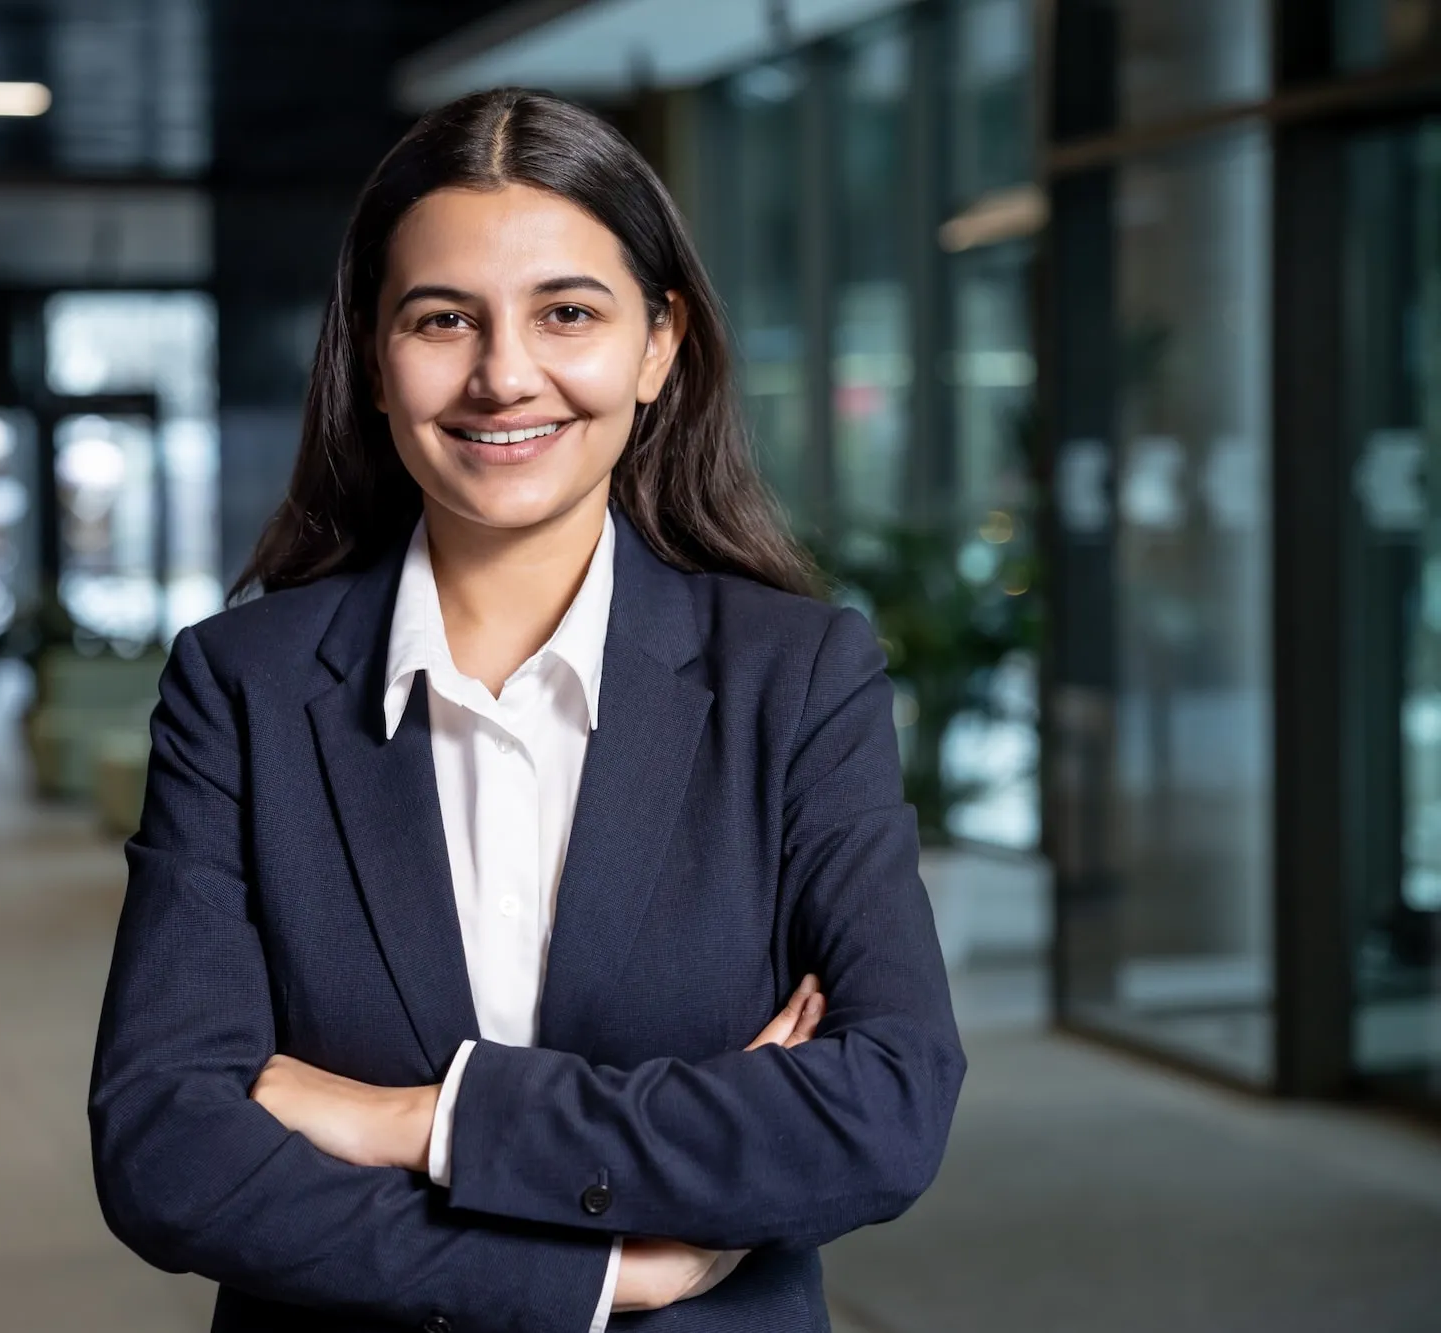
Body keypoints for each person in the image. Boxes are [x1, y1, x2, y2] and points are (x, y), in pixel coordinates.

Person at [88, 87, 965, 1332]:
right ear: (372, 362)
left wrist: (423, 1117)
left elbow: (883, 1108)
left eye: (567, 312)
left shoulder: (796, 676)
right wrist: (594, 1273)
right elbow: (163, 1147)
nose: (504, 377)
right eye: (443, 319)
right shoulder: (244, 689)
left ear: (659, 345)